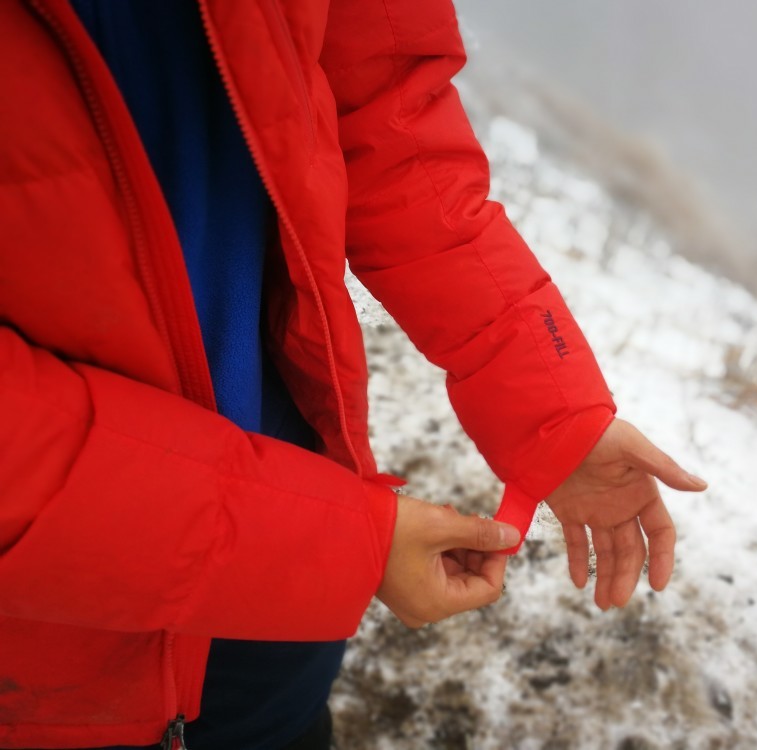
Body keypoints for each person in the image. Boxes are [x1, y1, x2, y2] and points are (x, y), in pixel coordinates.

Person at [0, 1, 707, 748]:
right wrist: (339, 546)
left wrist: (550, 408)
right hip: (47, 643)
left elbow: (388, 114)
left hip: (291, 492)